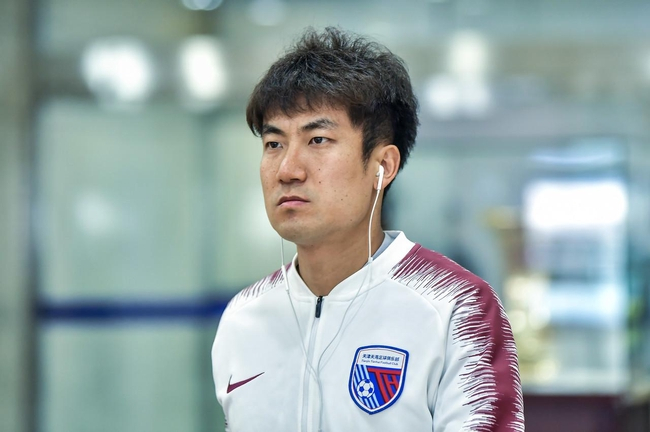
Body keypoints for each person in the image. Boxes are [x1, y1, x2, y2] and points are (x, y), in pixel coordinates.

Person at [211, 27, 524, 432]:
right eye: (274, 144)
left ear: (383, 166)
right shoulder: (244, 317)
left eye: (318, 139)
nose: (287, 170)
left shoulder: (455, 308)